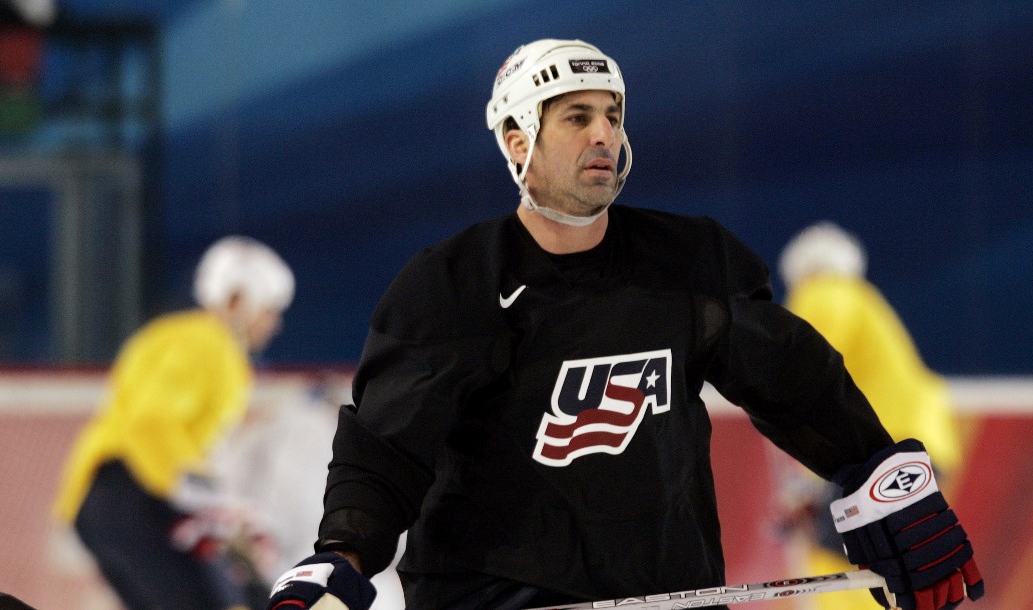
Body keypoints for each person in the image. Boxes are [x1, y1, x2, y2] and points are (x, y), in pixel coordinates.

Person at [264, 39, 983, 610]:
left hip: (674, 593)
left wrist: (880, 474)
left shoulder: (687, 262)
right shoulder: (450, 286)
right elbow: (386, 450)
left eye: (612, 114)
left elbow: (795, 379)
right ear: (518, 141)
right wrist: (343, 556)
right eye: (576, 117)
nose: (603, 134)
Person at [53, 235, 294, 610]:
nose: (275, 323)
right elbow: (151, 424)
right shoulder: (210, 345)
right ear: (237, 300)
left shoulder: (175, 335)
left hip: (112, 500)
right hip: (137, 495)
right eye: (270, 309)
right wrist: (210, 497)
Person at [775, 221, 965, 610]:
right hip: (920, 445)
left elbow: (804, 380)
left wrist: (800, 484)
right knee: (882, 558)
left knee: (841, 555)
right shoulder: (865, 301)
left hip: (884, 452)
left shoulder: (824, 294)